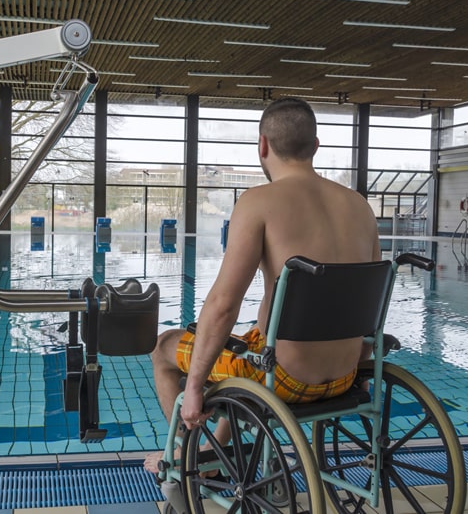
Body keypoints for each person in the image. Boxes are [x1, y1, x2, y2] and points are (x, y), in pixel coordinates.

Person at [144, 97, 381, 473]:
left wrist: (194, 387)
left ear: (263, 146)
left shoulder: (258, 202)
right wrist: (362, 374)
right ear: (315, 146)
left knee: (163, 349)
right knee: (248, 342)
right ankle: (212, 450)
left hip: (283, 378)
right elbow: (370, 306)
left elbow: (223, 304)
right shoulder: (359, 207)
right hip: (346, 376)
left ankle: (189, 455)